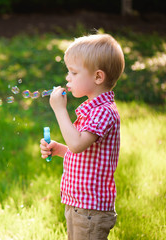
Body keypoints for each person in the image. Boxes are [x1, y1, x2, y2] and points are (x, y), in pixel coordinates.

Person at [40, 34, 124, 240]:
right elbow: (86, 152)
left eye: (74, 72)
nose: (68, 78)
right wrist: (60, 149)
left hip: (90, 209)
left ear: (98, 77)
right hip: (80, 205)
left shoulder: (103, 112)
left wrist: (60, 110)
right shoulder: (93, 110)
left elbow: (77, 144)